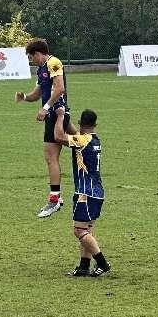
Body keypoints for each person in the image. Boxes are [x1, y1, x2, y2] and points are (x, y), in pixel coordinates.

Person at [16, 38, 75, 217]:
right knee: (78, 142)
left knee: (51, 157)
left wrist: (45, 108)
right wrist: (24, 97)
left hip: (57, 113)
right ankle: (91, 147)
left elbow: (60, 88)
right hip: (54, 114)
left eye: (31, 57)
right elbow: (38, 93)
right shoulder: (42, 69)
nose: (32, 60)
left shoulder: (54, 63)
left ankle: (54, 200)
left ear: (38, 53)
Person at [53, 107, 111, 277]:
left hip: (85, 193)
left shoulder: (82, 140)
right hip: (97, 192)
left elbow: (58, 137)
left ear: (80, 123)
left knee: (79, 231)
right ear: (95, 125)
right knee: (87, 230)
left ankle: (102, 263)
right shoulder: (94, 139)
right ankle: (84, 267)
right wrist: (66, 117)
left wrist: (60, 117)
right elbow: (75, 133)